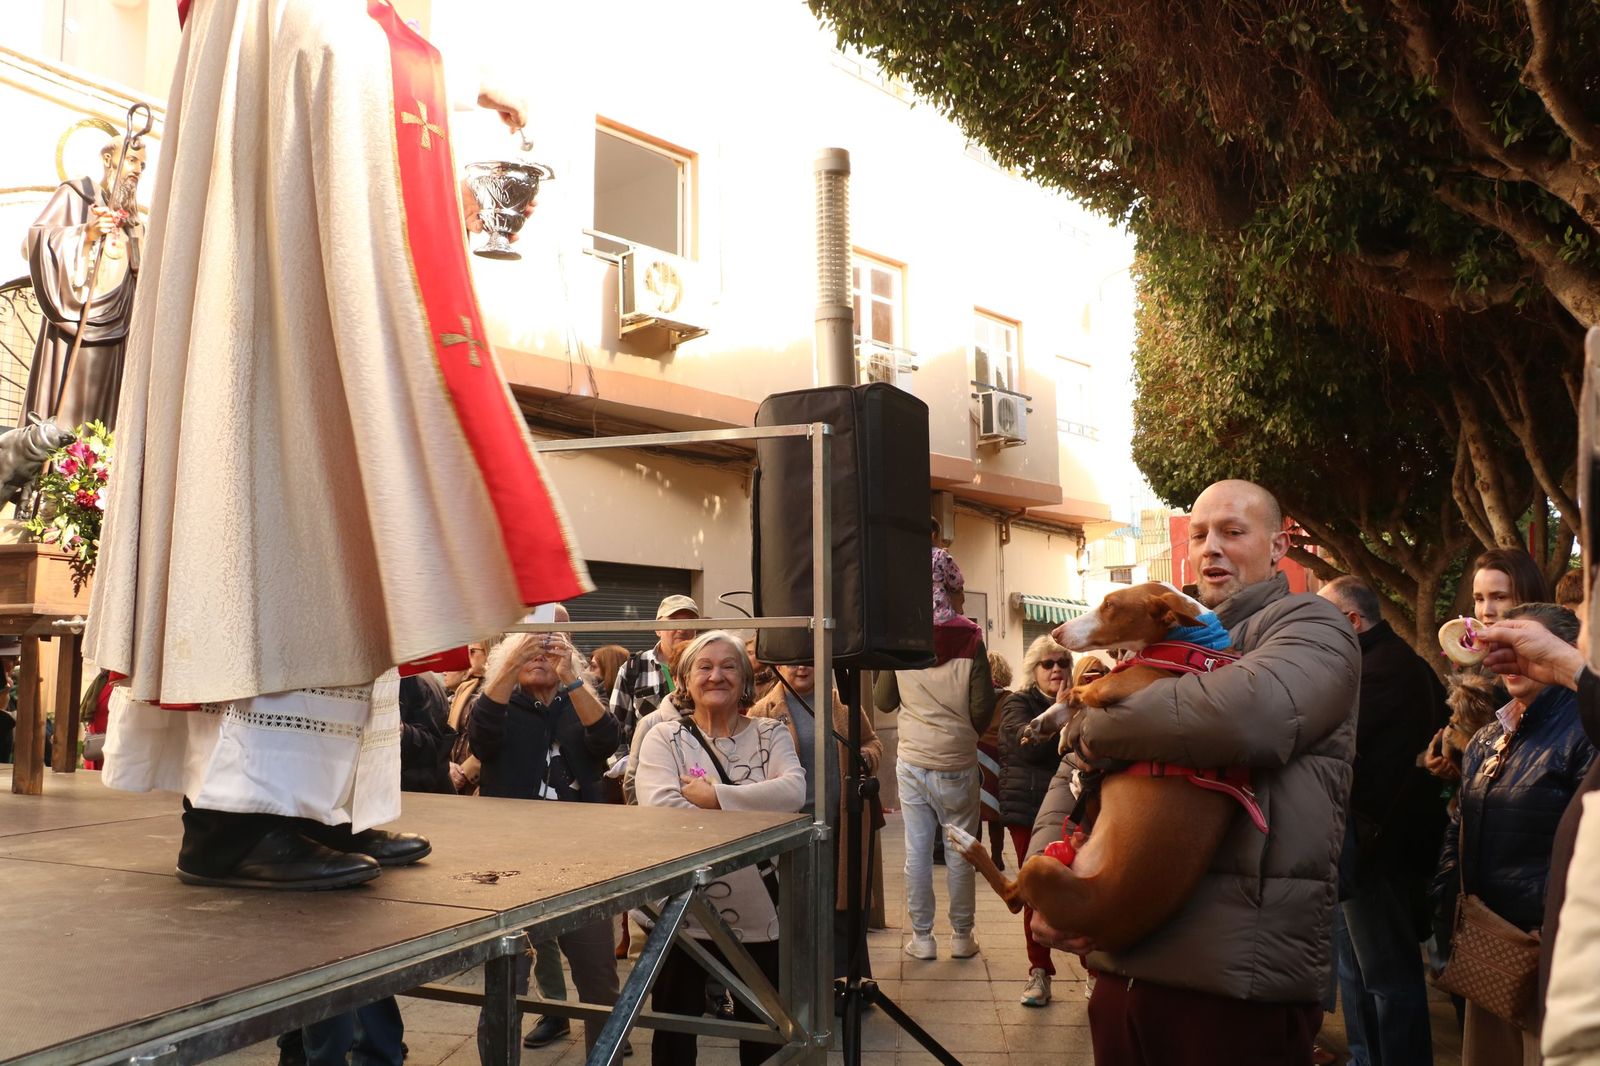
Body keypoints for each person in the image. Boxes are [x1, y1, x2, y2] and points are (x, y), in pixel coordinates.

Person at [86, 0, 589, 889]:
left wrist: (450, 77)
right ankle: (236, 825)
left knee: (332, 527)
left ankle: (316, 809)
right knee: (284, 521)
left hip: (296, 264)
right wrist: (447, 74)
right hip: (270, 310)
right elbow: (328, 49)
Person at [1030, 479, 1359, 1065]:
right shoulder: (1148, 637)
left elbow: (1255, 715)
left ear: (1280, 544)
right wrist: (1049, 873)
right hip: (1123, 966)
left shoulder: (1310, 626)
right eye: (1201, 533)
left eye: (1234, 532)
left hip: (1232, 980)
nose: (1212, 548)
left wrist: (1092, 716)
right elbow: (1071, 776)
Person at [634, 630, 806, 1066]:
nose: (717, 676)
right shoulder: (662, 736)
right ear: (685, 680)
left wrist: (716, 798)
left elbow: (793, 792)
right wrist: (754, 804)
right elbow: (663, 810)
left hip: (762, 908)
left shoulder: (771, 733)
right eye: (704, 667)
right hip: (683, 910)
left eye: (729, 666)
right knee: (676, 1029)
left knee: (764, 1029)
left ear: (745, 679)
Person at [1438, 602, 1595, 1065]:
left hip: (1549, 951)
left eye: (1522, 643)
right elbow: (1461, 827)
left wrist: (1549, 931)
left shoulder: (1585, 729)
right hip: (1491, 950)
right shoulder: (1489, 736)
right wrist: (1451, 908)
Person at [467, 613, 619, 1055]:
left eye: (554, 636)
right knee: (505, 984)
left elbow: (606, 740)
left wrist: (570, 678)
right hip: (511, 866)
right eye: (529, 636)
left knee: (600, 983)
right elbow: (482, 738)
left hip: (582, 865)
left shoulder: (579, 700)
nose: (542, 645)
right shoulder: (497, 701)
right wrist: (512, 665)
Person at [1317, 575, 1448, 1066]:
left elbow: (1335, 748)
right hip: (1364, 848)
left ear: (1352, 621)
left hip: (1381, 850)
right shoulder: (1379, 664)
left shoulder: (1383, 671)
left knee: (1387, 980)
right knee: (1360, 974)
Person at [873, 552, 996, 962]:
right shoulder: (972, 638)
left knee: (917, 852)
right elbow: (982, 709)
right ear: (949, 586)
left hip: (912, 760)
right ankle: (962, 936)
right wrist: (961, 734)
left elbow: (884, 700)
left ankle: (922, 939)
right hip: (958, 763)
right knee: (962, 850)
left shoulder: (901, 636)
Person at [747, 659, 883, 981]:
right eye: (792, 663)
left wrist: (865, 758)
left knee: (842, 903)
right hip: (791, 827)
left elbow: (872, 741)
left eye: (809, 662)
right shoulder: (762, 711)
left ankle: (845, 981)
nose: (801, 669)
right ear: (778, 664)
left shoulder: (841, 705)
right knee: (796, 907)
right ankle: (800, 984)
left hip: (840, 820)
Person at [23, 134, 146, 430]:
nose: (137, 170)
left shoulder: (135, 224)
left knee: (101, 422)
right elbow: (33, 243)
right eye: (131, 160)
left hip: (117, 329)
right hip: (75, 321)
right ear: (108, 159)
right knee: (64, 411)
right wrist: (86, 235)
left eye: (143, 166)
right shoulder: (76, 195)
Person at [997, 635, 1072, 1007]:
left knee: (1083, 886)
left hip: (1075, 810)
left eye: (1062, 663)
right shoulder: (1017, 703)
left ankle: (1092, 971)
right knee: (1035, 892)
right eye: (1048, 664)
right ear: (1034, 670)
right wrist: (1060, 714)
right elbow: (1030, 746)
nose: (1056, 669)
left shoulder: (1080, 699)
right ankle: (1039, 972)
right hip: (1030, 810)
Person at [610, 595, 700, 756]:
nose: (682, 629)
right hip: (648, 766)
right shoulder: (633, 668)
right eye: (674, 621)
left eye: (689, 621)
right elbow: (616, 730)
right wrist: (625, 771)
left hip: (702, 767)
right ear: (658, 629)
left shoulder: (710, 669)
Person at [978, 650, 1011, 870]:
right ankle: (997, 856)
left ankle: (977, 859)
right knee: (996, 811)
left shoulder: (979, 696)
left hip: (977, 753)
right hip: (1000, 755)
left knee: (976, 810)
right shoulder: (1009, 697)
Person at [398, 672, 455, 796]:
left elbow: (433, 743)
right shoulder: (418, 677)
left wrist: (402, 730)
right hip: (419, 786)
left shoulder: (412, 680)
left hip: (417, 788)